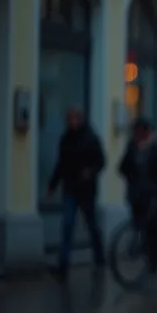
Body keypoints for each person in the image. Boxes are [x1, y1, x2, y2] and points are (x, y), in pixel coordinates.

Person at [47, 107, 107, 280]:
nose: (72, 121)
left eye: (75, 118)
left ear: (81, 119)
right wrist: (53, 184)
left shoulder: (91, 138)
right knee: (67, 225)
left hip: (86, 190)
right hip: (70, 188)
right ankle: (63, 265)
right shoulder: (66, 139)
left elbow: (101, 160)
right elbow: (61, 164)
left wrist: (91, 172)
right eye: (70, 118)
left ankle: (100, 258)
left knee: (91, 225)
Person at [118, 118, 157, 276]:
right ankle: (146, 253)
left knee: (155, 227)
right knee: (141, 225)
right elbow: (122, 168)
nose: (137, 136)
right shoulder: (132, 147)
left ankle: (154, 264)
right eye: (135, 132)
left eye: (139, 132)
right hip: (138, 195)